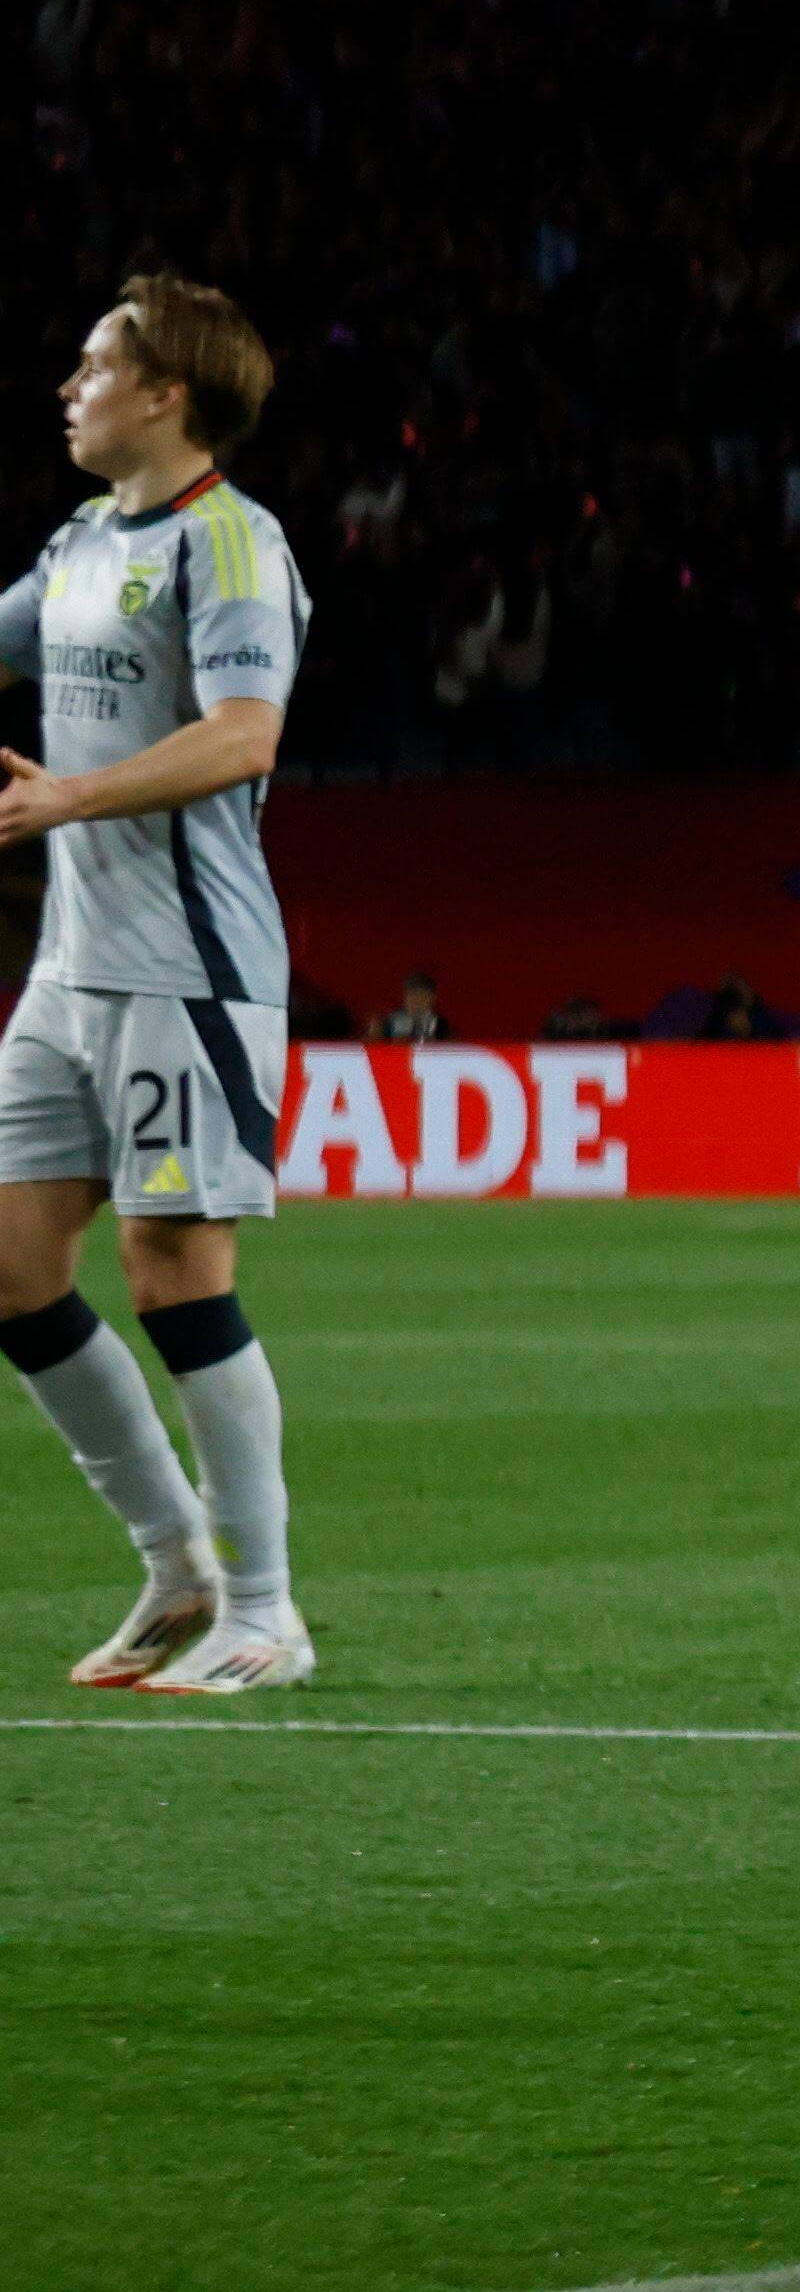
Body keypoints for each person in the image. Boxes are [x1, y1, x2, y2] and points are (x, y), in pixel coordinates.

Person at [1, 283, 314, 1695]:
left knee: (175, 1270)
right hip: (67, 972)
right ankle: (177, 1561)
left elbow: (244, 735)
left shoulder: (232, 545)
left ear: (168, 391)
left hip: (186, 969)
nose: (71, 383)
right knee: (12, 1266)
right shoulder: (79, 540)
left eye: (95, 363)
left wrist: (70, 793)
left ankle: (266, 1607)